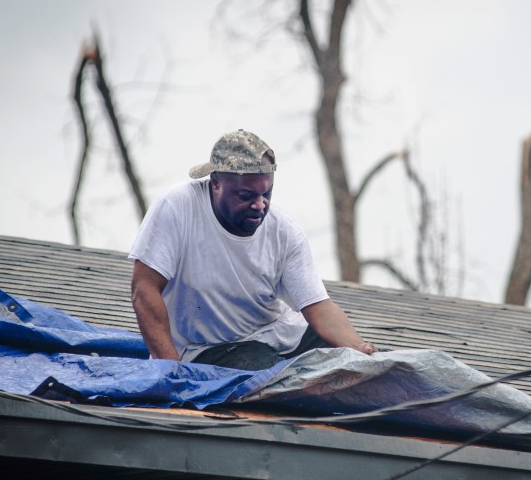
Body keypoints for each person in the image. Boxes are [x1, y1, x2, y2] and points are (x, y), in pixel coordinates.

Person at [129, 129, 375, 370]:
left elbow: (318, 307)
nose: (259, 205)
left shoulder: (285, 231)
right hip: (211, 348)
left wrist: (360, 350)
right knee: (266, 375)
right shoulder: (177, 206)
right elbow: (144, 289)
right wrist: (172, 371)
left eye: (266, 193)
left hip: (281, 334)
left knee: (345, 362)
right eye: (246, 195)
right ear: (216, 184)